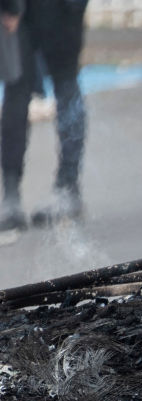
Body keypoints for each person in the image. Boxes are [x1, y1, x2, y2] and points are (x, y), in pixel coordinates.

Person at [0, 0, 87, 231]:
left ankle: (67, 187)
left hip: (63, 8)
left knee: (66, 85)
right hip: (23, 7)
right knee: (16, 88)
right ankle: (10, 195)